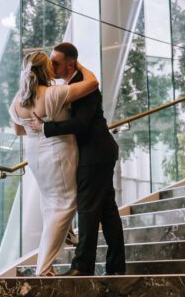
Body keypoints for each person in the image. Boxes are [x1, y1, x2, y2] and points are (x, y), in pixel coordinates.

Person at [28, 42, 126, 276]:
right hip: (98, 153)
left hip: (95, 154)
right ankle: (116, 268)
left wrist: (45, 127)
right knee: (107, 211)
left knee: (87, 208)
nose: (51, 66)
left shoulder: (83, 85)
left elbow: (81, 124)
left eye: (56, 63)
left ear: (69, 64)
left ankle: (82, 267)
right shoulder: (74, 83)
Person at [9, 51, 99, 275]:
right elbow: (92, 83)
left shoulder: (18, 100)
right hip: (57, 153)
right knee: (65, 204)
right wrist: (78, 64)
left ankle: (64, 237)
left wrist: (34, 127)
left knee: (51, 204)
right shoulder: (53, 93)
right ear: (45, 70)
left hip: (35, 155)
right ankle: (43, 269)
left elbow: (19, 130)